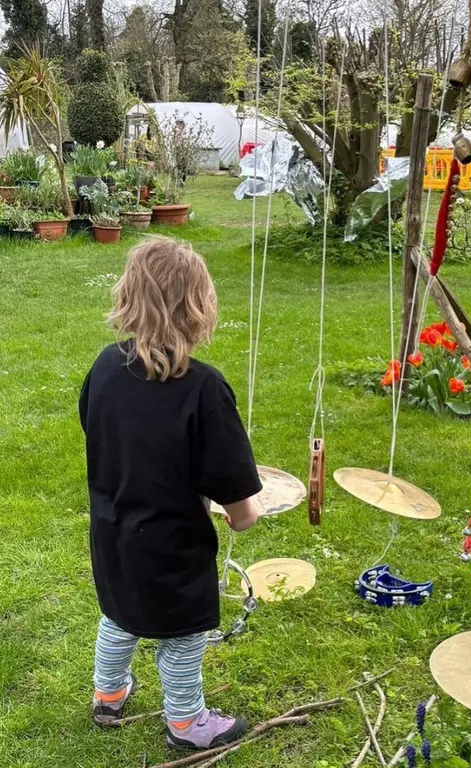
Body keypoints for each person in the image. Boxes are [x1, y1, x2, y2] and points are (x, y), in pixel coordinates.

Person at [79, 236, 263, 750]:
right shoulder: (203, 388)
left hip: (113, 531)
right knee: (182, 636)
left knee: (119, 612)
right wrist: (246, 514)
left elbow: (97, 431)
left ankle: (108, 693)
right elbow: (237, 499)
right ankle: (186, 723)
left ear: (129, 296)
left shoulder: (103, 367)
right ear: (197, 305)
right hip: (172, 546)